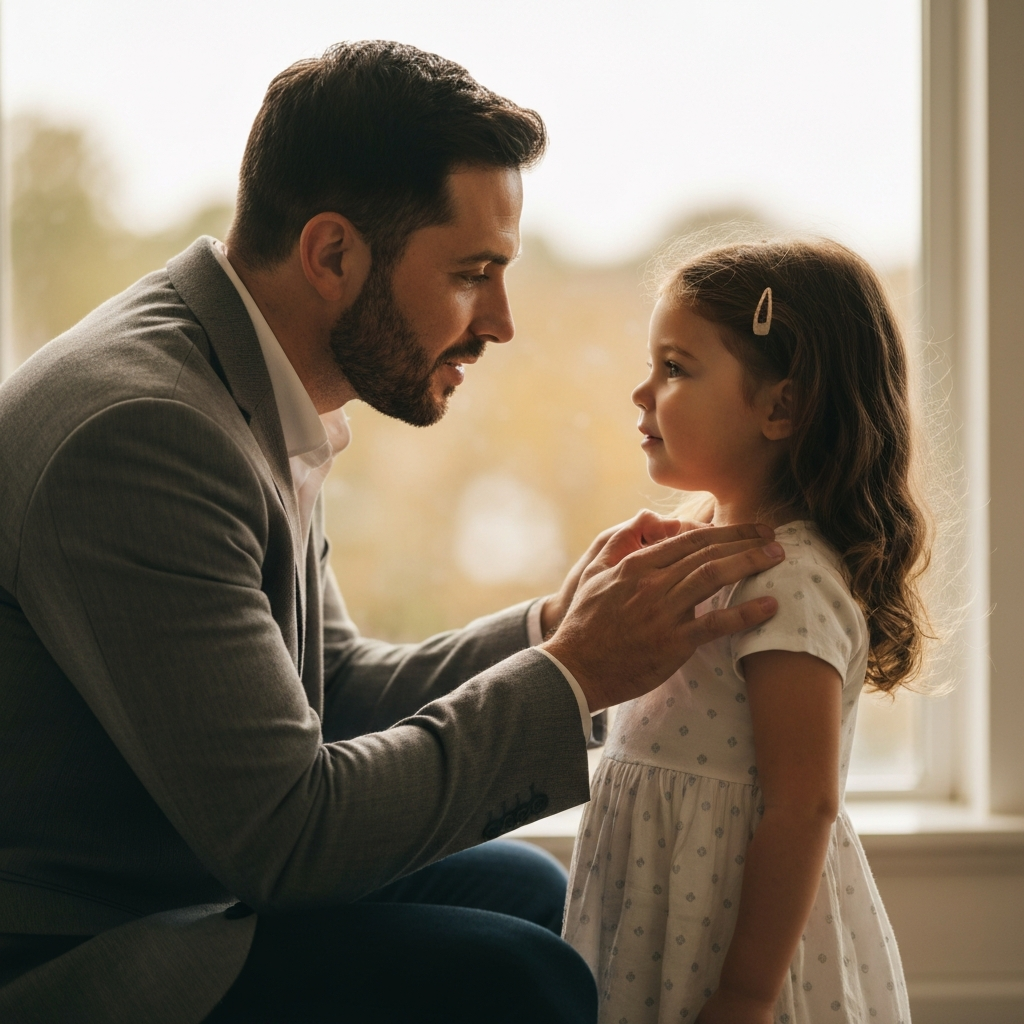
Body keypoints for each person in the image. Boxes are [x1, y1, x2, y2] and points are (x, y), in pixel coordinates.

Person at [0, 42, 787, 1023]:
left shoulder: (236, 379)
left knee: (531, 893)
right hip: (76, 946)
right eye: (473, 273)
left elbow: (330, 693)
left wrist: (556, 626)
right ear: (333, 254)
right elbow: (287, 836)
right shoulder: (145, 434)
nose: (501, 322)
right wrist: (579, 671)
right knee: (517, 975)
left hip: (188, 879)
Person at [560, 239, 930, 1024]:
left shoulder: (785, 583)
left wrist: (747, 993)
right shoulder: (696, 555)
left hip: (730, 942)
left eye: (674, 368)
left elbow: (803, 806)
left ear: (780, 407)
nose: (640, 391)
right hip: (658, 915)